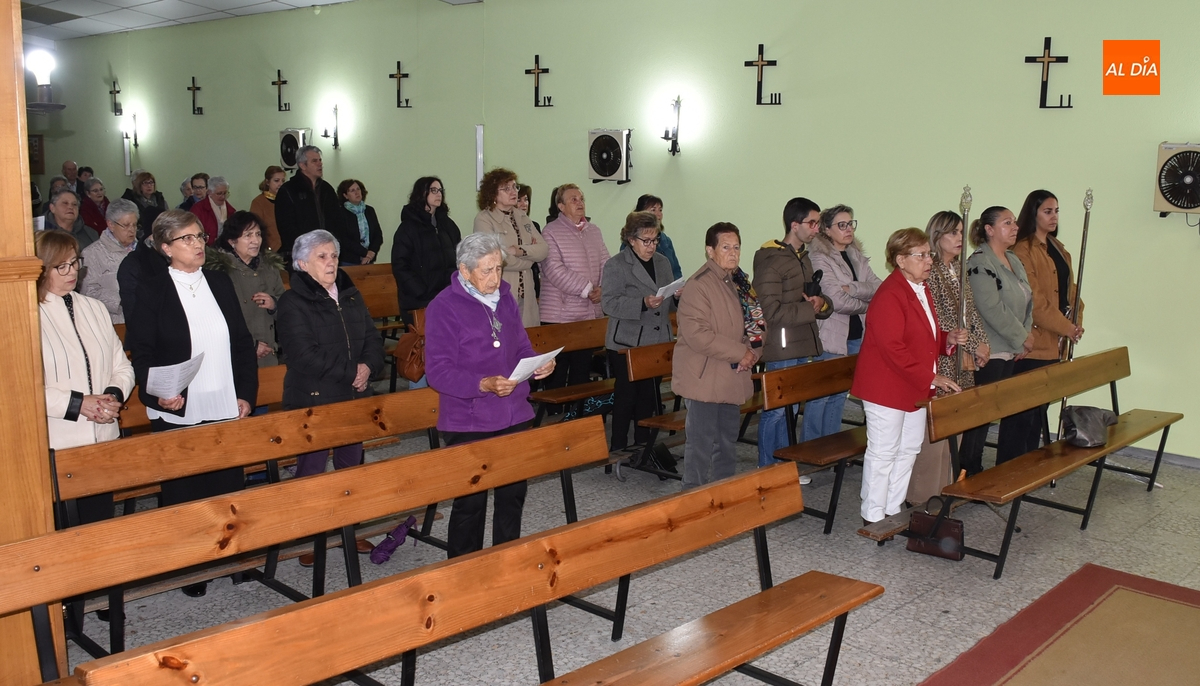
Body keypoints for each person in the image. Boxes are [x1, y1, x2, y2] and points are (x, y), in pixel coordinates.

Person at [125, 210, 257, 597]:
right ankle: (191, 567)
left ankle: (231, 556)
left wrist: (245, 393)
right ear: (165, 247)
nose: (198, 244)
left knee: (227, 486)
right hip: (178, 404)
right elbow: (143, 353)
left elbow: (241, 343)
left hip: (223, 399)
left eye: (199, 236)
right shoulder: (152, 289)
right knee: (185, 492)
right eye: (186, 239)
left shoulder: (219, 281)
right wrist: (158, 394)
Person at [425, 233, 556, 558]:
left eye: (498, 268)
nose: (495, 278)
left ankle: (505, 560)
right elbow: (438, 371)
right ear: (465, 270)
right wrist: (483, 383)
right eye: (486, 271)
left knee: (513, 494)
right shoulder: (444, 306)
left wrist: (539, 363)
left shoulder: (506, 297)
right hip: (468, 417)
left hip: (513, 411)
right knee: (471, 502)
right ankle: (464, 568)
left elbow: (521, 344)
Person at [277, 229, 384, 564]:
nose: (331, 262)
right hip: (314, 398)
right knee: (311, 470)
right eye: (321, 256)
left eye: (334, 256)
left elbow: (371, 336)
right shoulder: (293, 302)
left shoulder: (350, 294)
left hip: (353, 396)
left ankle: (350, 530)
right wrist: (352, 371)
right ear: (301, 263)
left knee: (351, 468)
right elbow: (302, 354)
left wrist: (368, 367)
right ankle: (310, 538)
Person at [850, 228, 967, 524]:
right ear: (901, 260)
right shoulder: (890, 294)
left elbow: (921, 336)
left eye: (929, 254)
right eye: (921, 255)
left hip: (913, 386)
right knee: (884, 451)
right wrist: (932, 378)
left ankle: (893, 505)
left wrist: (946, 339)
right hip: (886, 386)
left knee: (909, 448)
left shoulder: (921, 288)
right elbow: (892, 347)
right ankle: (873, 513)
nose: (929, 260)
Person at [37, 230, 135, 525]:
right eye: (61, 266)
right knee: (64, 530)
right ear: (40, 269)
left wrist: (112, 397)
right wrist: (79, 404)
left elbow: (122, 366)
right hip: (60, 440)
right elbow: (21, 388)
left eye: (75, 263)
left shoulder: (94, 308)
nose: (72, 272)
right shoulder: (27, 315)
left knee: (99, 524)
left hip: (102, 435)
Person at [673, 223, 763, 489]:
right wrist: (741, 352)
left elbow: (756, 323)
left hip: (733, 373)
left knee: (727, 441)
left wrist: (752, 351)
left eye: (736, 247)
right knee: (700, 445)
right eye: (726, 247)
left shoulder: (741, 283)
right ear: (710, 251)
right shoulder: (698, 285)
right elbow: (697, 334)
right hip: (704, 375)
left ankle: (724, 494)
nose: (733, 253)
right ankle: (692, 499)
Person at [753, 197, 831, 473]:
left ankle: (784, 465)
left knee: (791, 410)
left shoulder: (802, 258)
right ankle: (767, 467)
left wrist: (822, 304)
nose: (816, 229)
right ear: (794, 224)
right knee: (775, 410)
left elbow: (812, 299)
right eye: (812, 223)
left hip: (803, 342)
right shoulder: (771, 259)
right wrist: (809, 310)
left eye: (818, 223)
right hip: (782, 345)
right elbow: (770, 312)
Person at [1012, 190, 1084, 456]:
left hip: (1056, 341)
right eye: (1047, 211)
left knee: (1039, 410)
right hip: (1034, 342)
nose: (1054, 217)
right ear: (1034, 213)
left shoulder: (1059, 248)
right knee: (1023, 414)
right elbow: (1035, 301)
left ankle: (1030, 466)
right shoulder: (1022, 250)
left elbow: (1072, 292)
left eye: (1056, 211)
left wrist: (1075, 323)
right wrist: (1066, 328)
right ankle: (1012, 470)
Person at [806, 204, 883, 441]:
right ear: (827, 230)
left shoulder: (855, 255)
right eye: (842, 225)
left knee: (840, 395)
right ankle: (810, 452)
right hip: (832, 336)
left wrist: (853, 288)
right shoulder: (819, 257)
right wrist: (867, 303)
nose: (849, 229)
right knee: (821, 396)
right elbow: (836, 301)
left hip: (857, 335)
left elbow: (879, 288)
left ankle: (830, 447)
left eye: (851, 224)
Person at [601, 211, 676, 451]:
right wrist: (642, 302)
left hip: (656, 339)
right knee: (626, 397)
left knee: (649, 395)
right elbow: (609, 303)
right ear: (631, 239)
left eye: (655, 239)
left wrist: (678, 296)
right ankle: (619, 447)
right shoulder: (616, 264)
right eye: (646, 240)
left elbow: (668, 302)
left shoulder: (663, 262)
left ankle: (644, 444)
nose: (652, 246)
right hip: (627, 341)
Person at [966, 206, 1035, 465]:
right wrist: (1022, 337)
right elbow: (991, 308)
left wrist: (1025, 334)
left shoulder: (1013, 259)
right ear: (989, 229)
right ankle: (968, 467)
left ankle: (977, 465)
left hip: (1012, 346)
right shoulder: (980, 263)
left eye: (1015, 222)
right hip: (991, 348)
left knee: (994, 410)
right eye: (1007, 223)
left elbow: (1028, 299)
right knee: (981, 414)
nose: (1015, 227)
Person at [539, 184, 611, 397]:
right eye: (573, 199)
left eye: (581, 198)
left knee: (582, 371)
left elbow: (606, 263)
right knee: (558, 373)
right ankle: (555, 419)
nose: (580, 203)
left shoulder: (594, 230)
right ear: (560, 206)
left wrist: (603, 288)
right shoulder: (550, 232)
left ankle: (577, 415)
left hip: (588, 314)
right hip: (560, 315)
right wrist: (588, 288)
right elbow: (553, 269)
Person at [472, 168, 546, 326]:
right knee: (503, 342)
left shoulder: (523, 217)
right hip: (500, 292)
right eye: (507, 188)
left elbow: (543, 250)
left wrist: (519, 250)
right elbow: (496, 258)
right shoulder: (484, 219)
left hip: (527, 294)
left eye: (514, 187)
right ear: (493, 194)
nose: (514, 192)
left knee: (528, 344)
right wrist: (529, 260)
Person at [214, 211, 286, 367]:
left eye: (258, 234)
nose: (255, 240)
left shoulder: (270, 268)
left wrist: (274, 305)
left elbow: (288, 307)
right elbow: (218, 319)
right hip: (235, 357)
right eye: (248, 235)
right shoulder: (220, 272)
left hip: (269, 354)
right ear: (232, 241)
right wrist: (251, 345)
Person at [392, 176, 461, 324]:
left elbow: (460, 256)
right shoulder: (408, 228)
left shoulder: (448, 225)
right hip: (420, 300)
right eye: (433, 190)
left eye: (440, 190)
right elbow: (400, 265)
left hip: (448, 295)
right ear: (421, 193)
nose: (439, 194)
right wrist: (421, 291)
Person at [275, 146, 342, 262]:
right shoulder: (288, 190)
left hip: (327, 254)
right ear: (302, 165)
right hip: (301, 255)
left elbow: (337, 221)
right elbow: (286, 227)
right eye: (314, 161)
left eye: (320, 160)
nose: (320, 164)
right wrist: (308, 249)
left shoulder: (327, 189)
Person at [80, 198, 139, 324]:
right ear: (111, 225)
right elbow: (88, 292)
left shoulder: (142, 251)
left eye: (134, 224)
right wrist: (123, 299)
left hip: (142, 320)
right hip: (112, 323)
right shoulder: (92, 253)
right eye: (126, 225)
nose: (132, 230)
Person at [634, 194, 682, 280]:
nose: (658, 214)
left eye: (660, 210)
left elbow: (676, 270)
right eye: (653, 210)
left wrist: (677, 286)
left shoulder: (666, 240)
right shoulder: (633, 242)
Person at [336, 178, 383, 265]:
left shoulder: (369, 210)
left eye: (358, 189)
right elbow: (343, 239)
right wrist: (365, 253)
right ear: (345, 195)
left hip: (369, 259)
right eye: (352, 190)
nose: (357, 192)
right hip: (349, 260)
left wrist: (371, 252)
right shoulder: (340, 213)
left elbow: (378, 234)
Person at [121, 171, 168, 240]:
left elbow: (167, 217)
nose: (149, 185)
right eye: (145, 183)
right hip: (141, 236)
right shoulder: (133, 202)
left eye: (151, 182)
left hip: (160, 234)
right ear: (139, 185)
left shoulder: (160, 199)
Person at [249, 166, 286, 252]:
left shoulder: (286, 200)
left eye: (283, 181)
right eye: (276, 181)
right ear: (267, 182)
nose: (280, 184)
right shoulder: (258, 202)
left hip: (288, 248)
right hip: (270, 250)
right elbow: (256, 229)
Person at [189, 176, 234, 245]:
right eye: (219, 193)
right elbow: (194, 233)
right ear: (209, 192)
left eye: (225, 193)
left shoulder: (231, 210)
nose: (223, 196)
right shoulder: (198, 209)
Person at [517, 184, 542, 297]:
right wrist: (530, 249)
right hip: (514, 282)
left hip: (532, 279)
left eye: (526, 200)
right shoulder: (506, 228)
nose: (524, 204)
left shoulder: (534, 226)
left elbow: (541, 252)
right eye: (519, 200)